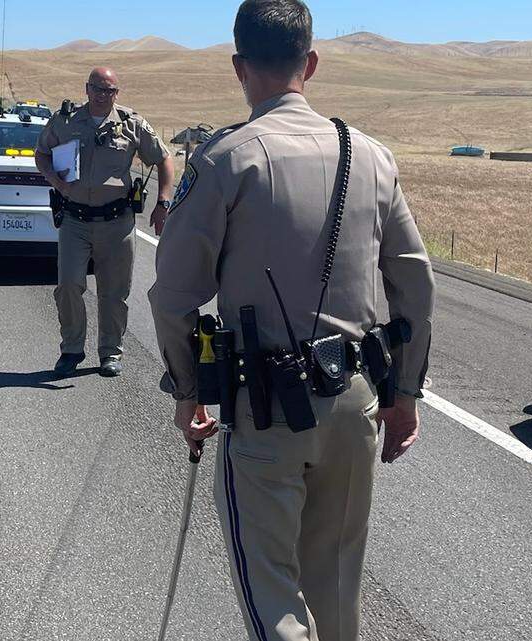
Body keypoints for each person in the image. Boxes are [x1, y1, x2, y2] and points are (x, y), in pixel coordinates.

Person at [148, 1, 435, 639]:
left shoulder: (224, 160)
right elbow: (415, 285)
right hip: (355, 404)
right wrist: (406, 395)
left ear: (238, 67)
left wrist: (189, 394)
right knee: (335, 594)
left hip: (264, 412)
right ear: (310, 62)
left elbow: (172, 298)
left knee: (272, 602)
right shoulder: (373, 157)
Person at [35, 67, 174, 377]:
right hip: (75, 219)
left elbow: (164, 158)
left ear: (116, 93)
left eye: (109, 90)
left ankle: (111, 352)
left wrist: (163, 203)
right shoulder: (66, 121)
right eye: (97, 88)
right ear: (87, 88)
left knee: (114, 292)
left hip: (117, 221)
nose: (102, 95)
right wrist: (58, 184)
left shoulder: (131, 124)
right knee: (69, 285)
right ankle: (71, 349)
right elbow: (41, 153)